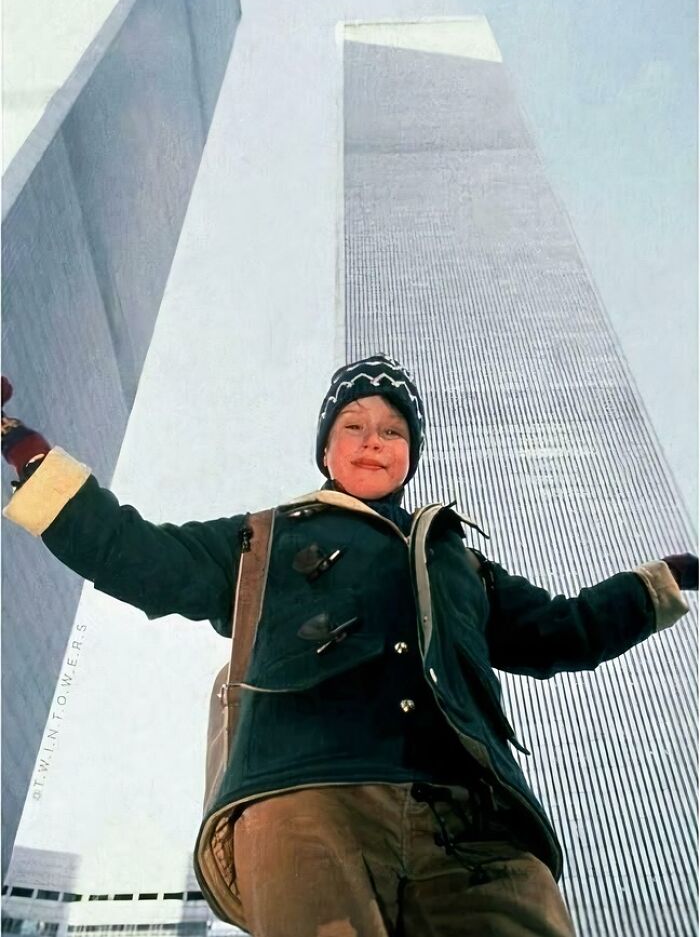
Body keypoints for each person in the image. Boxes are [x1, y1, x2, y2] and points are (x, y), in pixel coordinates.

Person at [2, 356, 696, 937]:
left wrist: (664, 580)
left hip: (473, 815)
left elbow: (561, 630)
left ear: (411, 454)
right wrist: (25, 450)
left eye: (393, 430)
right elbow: (135, 553)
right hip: (308, 802)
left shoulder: (457, 558)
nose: (373, 440)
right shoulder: (262, 538)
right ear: (326, 449)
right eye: (354, 425)